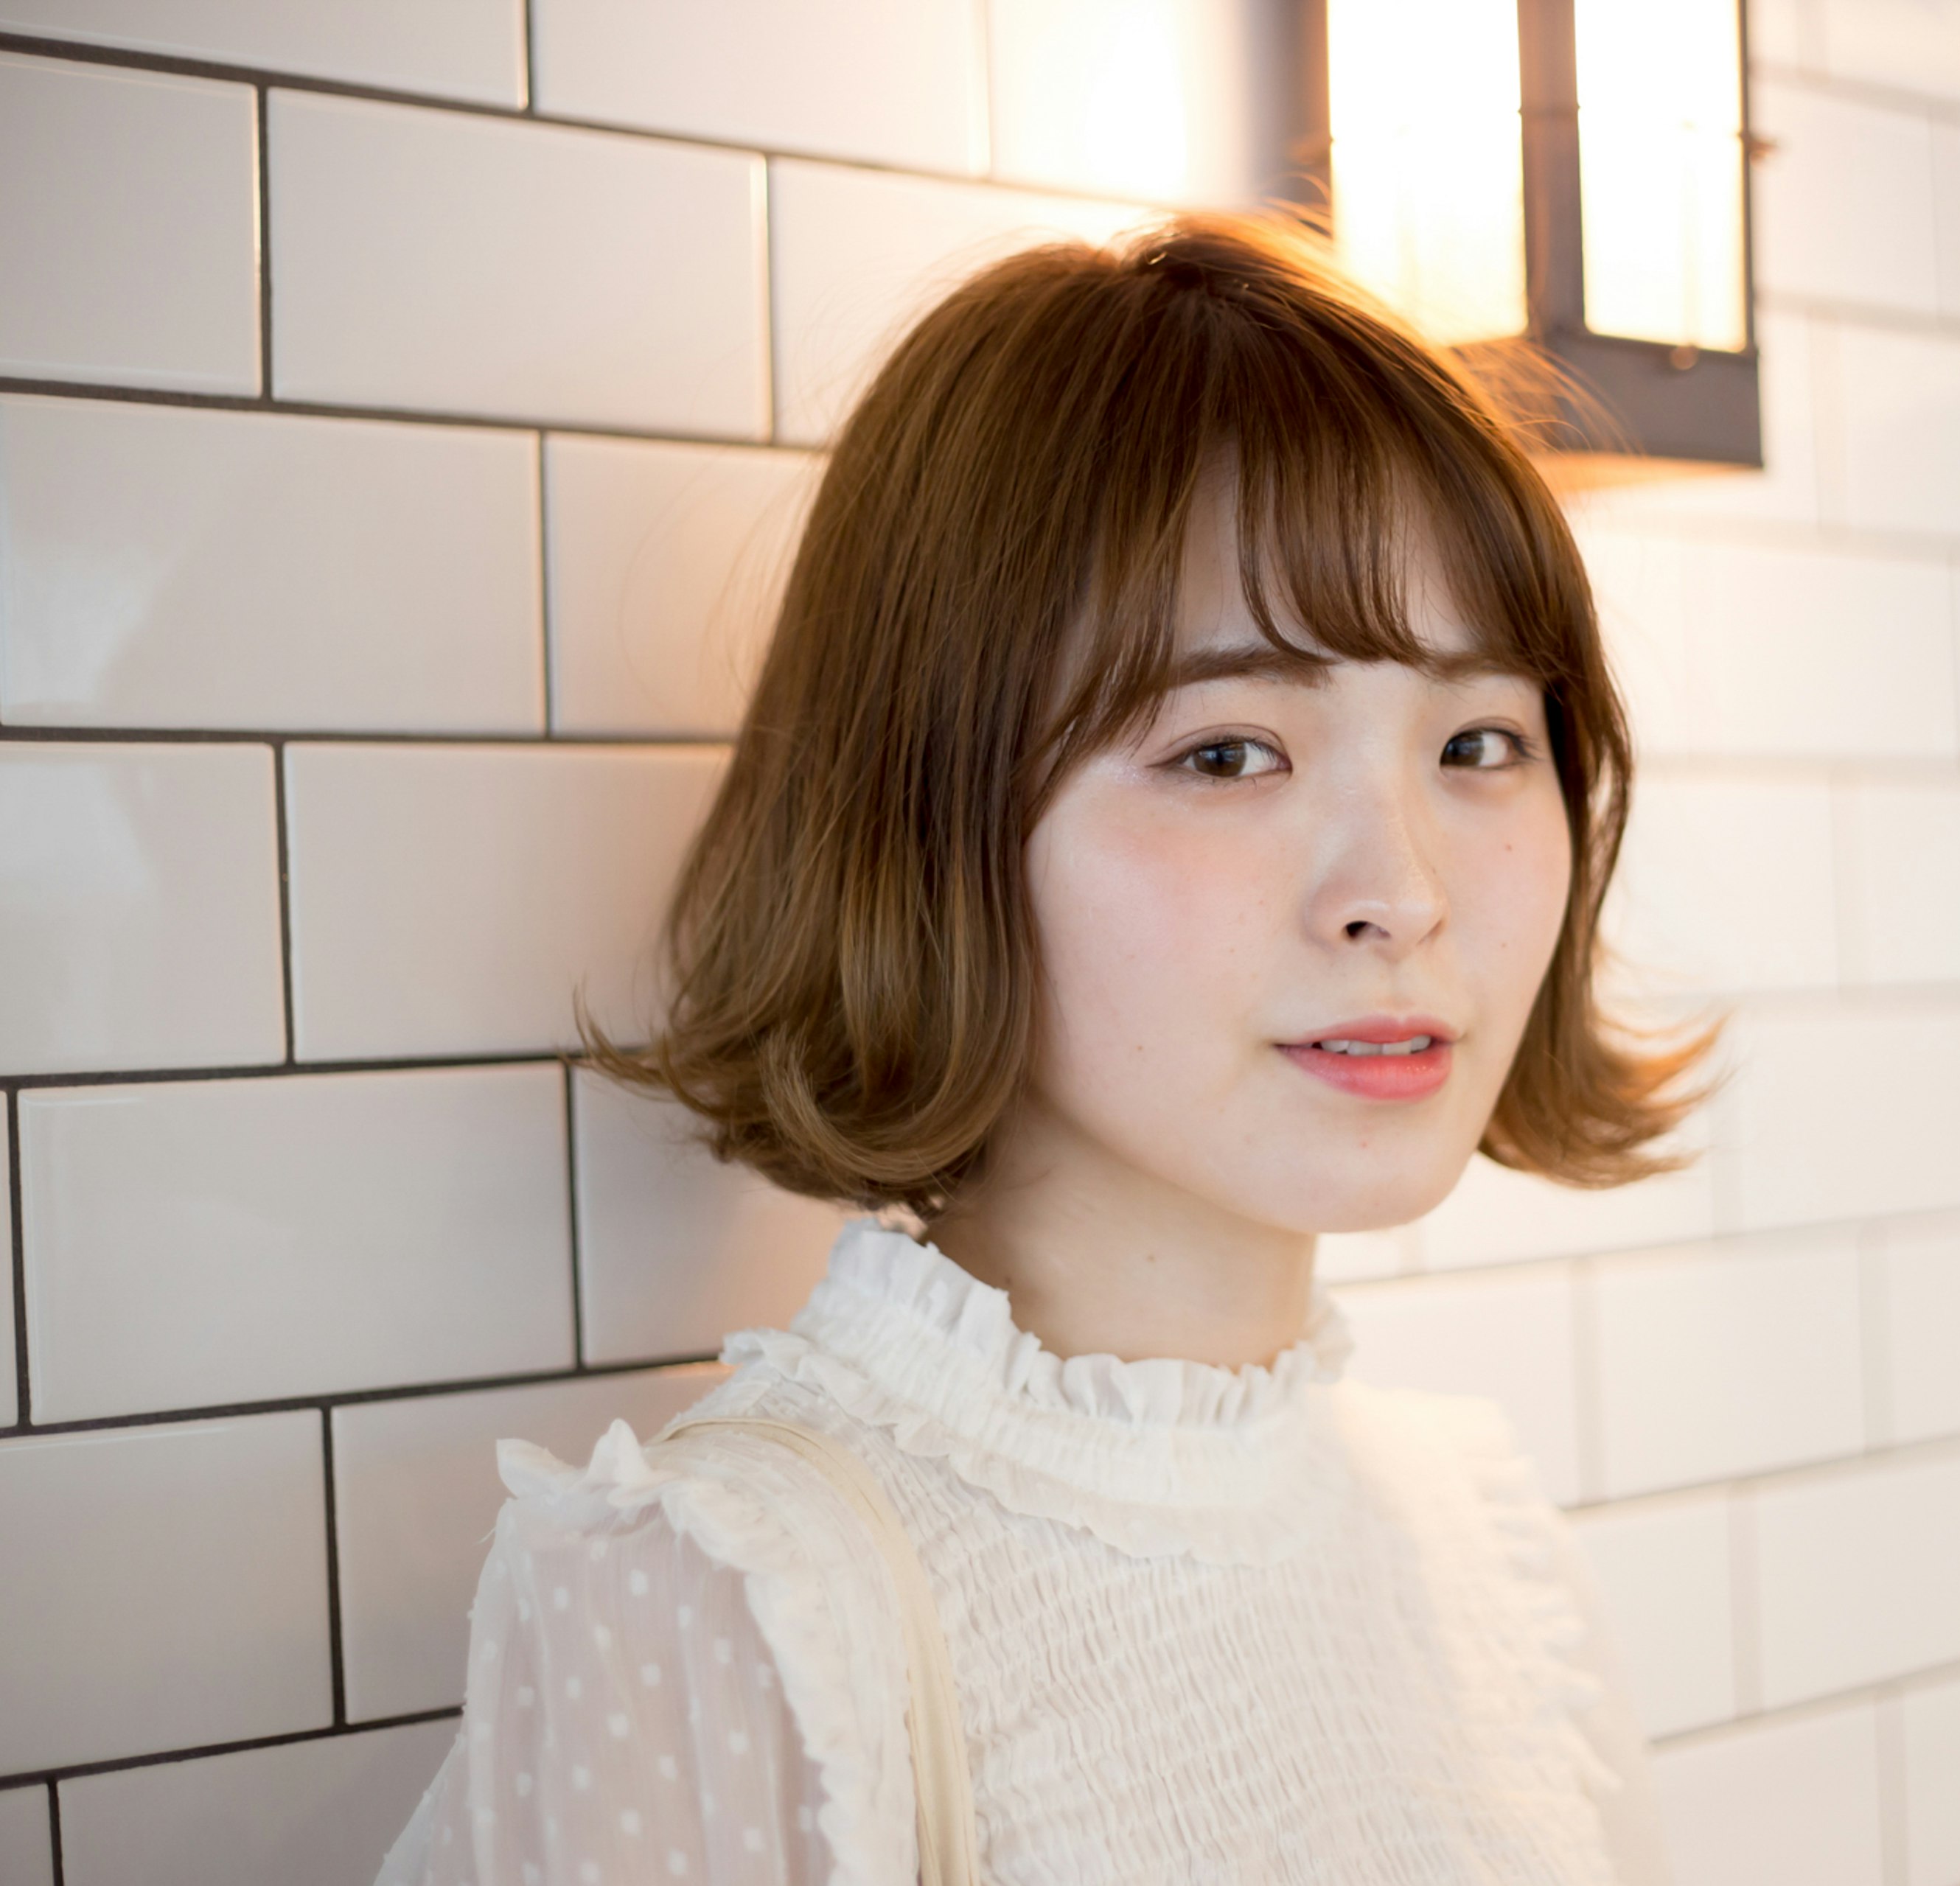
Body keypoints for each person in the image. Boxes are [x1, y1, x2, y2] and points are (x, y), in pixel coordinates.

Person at [377, 214, 1709, 1886]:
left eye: (1479, 740)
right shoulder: (721, 1603)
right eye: (1229, 750)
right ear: (935, 815)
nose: (1403, 894)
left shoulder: (1489, 1543)